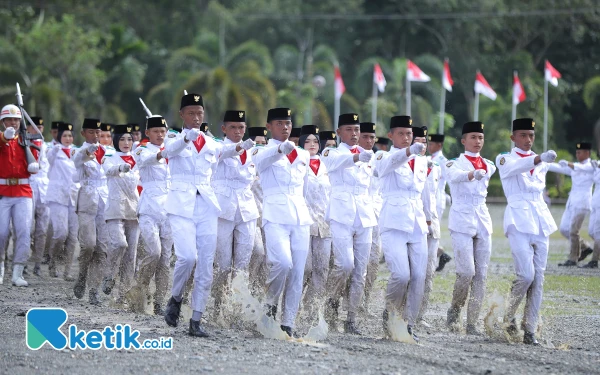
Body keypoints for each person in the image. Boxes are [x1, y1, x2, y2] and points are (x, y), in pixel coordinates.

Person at [162, 93, 253, 337]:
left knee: (205, 264)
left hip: (207, 206)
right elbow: (169, 151)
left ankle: (196, 319)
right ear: (181, 115)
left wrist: (241, 147)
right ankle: (176, 297)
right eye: (190, 113)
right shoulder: (173, 137)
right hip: (181, 205)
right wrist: (184, 138)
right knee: (187, 258)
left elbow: (227, 151)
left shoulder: (212, 143)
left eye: (199, 113)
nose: (195, 117)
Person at [497, 118, 558, 345]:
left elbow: (561, 167)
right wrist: (539, 158)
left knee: (539, 278)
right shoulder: (504, 158)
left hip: (540, 219)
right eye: (523, 135)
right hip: (518, 219)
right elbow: (516, 167)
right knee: (526, 275)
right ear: (513, 137)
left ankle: (529, 328)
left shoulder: (541, 160)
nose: (528, 140)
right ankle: (509, 314)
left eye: (531, 135)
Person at [252, 107, 312, 337]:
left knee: (297, 271)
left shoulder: (302, 155)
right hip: (275, 214)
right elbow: (260, 163)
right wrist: (279, 149)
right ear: (268, 127)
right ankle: (269, 305)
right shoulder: (261, 151)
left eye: (287, 124)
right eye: (279, 124)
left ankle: (288, 323)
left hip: (299, 216)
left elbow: (304, 188)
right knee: (282, 263)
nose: (285, 127)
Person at [374, 115, 427, 342]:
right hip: (393, 221)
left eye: (409, 134)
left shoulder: (422, 161)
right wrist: (408, 152)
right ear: (391, 135)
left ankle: (408, 324)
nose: (406, 138)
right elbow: (387, 166)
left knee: (419, 276)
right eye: (401, 134)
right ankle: (391, 312)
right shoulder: (382, 156)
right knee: (401, 274)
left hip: (417, 222)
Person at [322, 113, 376, 335]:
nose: (354, 134)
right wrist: (355, 158)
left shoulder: (368, 155)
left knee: (360, 271)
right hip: (341, 213)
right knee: (345, 265)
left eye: (356, 130)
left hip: (364, 215)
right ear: (338, 132)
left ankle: (351, 318)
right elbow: (332, 163)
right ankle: (332, 301)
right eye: (349, 130)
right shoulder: (331, 152)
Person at [444, 122, 496, 334]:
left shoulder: (489, 164)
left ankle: (472, 322)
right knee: (466, 272)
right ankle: (455, 308)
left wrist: (479, 170)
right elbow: (453, 176)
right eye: (473, 137)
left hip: (482, 217)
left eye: (480, 138)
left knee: (481, 274)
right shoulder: (453, 164)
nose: (477, 142)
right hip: (462, 218)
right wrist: (471, 174)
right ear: (463, 140)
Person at [212, 110, 259, 319]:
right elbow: (225, 152)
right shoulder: (217, 147)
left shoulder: (253, 151)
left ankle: (236, 309)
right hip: (224, 209)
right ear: (224, 129)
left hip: (247, 209)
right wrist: (240, 147)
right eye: (233, 127)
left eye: (241, 127)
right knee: (223, 265)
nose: (238, 131)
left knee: (242, 265)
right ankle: (218, 305)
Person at [128, 115, 172, 315]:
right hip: (149, 208)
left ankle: (160, 302)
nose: (160, 135)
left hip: (170, 208)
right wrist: (164, 153)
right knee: (153, 252)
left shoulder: (172, 151)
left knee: (165, 259)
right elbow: (146, 161)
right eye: (156, 131)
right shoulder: (141, 149)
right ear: (147, 133)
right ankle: (139, 291)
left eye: (163, 132)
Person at [0, 104, 40, 286]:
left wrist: (34, 162)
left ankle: (18, 272)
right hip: (3, 192)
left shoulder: (27, 139)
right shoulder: (1, 138)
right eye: (9, 119)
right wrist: (4, 138)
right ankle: (1, 269)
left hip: (23, 191)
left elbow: (35, 157)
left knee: (24, 231)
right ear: (3, 122)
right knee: (1, 233)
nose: (13, 123)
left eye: (16, 119)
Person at [100, 125, 140, 302]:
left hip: (134, 209)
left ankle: (122, 294)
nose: (126, 143)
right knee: (119, 244)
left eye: (129, 139)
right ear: (116, 140)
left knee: (131, 255)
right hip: (115, 208)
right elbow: (107, 170)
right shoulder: (110, 156)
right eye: (122, 139)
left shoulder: (138, 158)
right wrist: (120, 167)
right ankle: (109, 275)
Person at [71, 118, 109, 305]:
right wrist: (87, 152)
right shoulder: (78, 150)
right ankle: (82, 274)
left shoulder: (107, 151)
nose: (95, 136)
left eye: (98, 132)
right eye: (91, 132)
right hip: (86, 199)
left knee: (102, 249)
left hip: (104, 200)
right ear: (83, 133)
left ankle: (94, 290)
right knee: (88, 245)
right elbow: (78, 159)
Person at [298, 125, 332, 316]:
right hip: (305, 221)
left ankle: (311, 309)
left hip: (324, 223)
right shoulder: (298, 163)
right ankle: (293, 303)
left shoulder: (327, 165)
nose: (312, 145)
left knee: (321, 269)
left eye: (315, 141)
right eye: (308, 141)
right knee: (305, 268)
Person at [412, 125, 443, 328]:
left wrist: (435, 220)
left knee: (429, 272)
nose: (422, 146)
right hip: (416, 222)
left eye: (424, 143)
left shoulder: (435, 167)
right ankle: (401, 311)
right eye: (418, 142)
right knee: (414, 271)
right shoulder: (407, 165)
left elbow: (436, 198)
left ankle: (420, 315)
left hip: (433, 225)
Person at [550, 143, 595, 266]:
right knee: (564, 229)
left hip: (582, 203)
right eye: (576, 152)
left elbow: (581, 168)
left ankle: (573, 258)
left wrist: (570, 164)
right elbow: (560, 168)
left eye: (579, 152)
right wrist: (543, 162)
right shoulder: (576, 167)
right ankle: (585, 247)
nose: (577, 155)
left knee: (573, 231)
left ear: (587, 153)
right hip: (572, 203)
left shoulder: (591, 166)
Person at [46, 122, 80, 281]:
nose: (68, 138)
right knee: (60, 233)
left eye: (70, 135)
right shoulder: (53, 151)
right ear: (59, 137)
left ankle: (67, 270)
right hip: (57, 196)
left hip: (74, 196)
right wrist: (55, 148)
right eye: (64, 135)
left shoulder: (77, 151)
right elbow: (48, 158)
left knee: (73, 236)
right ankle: (52, 261)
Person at [357, 122, 383, 314]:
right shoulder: (349, 157)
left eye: (372, 138)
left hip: (376, 216)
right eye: (365, 136)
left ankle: (363, 300)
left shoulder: (379, 158)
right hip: (355, 213)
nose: (369, 141)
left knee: (373, 261)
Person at [27, 117, 51, 276]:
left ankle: (36, 263)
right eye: (35, 127)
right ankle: (21, 262)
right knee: (26, 228)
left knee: (41, 230)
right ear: (28, 128)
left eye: (40, 127)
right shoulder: (23, 144)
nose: (38, 129)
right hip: (28, 187)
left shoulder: (48, 147)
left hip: (44, 190)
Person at [428, 133, 452, 272]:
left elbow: (450, 179)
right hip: (431, 198)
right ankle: (440, 253)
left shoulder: (442, 160)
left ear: (439, 145)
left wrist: (448, 195)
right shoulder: (431, 158)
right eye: (429, 144)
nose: (429, 146)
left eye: (432, 144)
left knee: (432, 231)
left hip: (437, 200)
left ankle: (438, 253)